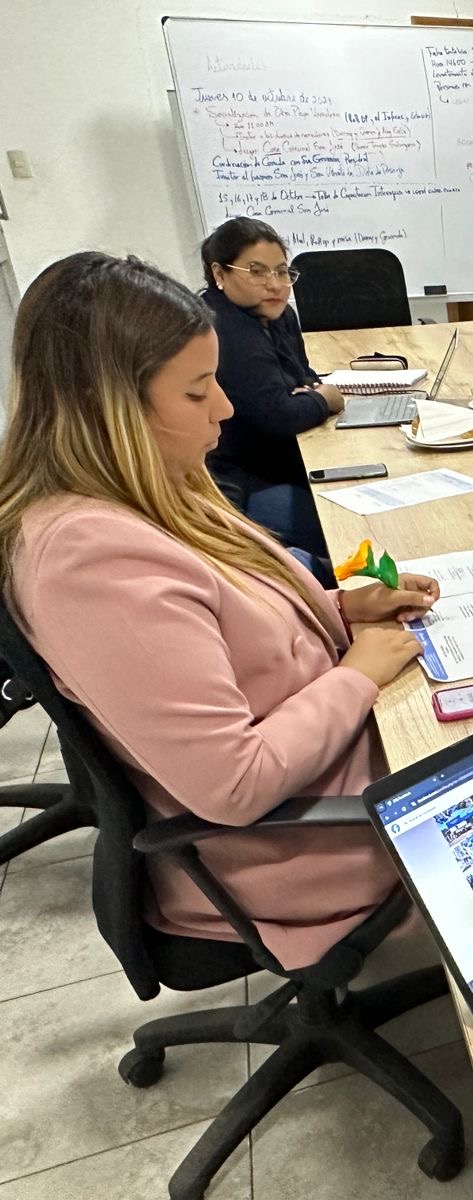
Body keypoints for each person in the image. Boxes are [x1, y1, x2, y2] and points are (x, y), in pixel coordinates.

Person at [0, 251, 440, 970]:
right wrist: (358, 674)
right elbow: (234, 785)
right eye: (198, 391)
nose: (225, 409)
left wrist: (341, 608)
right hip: (296, 844)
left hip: (331, 775)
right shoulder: (88, 561)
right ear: (110, 408)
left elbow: (225, 625)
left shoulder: (151, 482)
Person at [199, 217, 344, 577]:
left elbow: (304, 378)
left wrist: (305, 397)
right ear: (219, 273)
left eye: (282, 272)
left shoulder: (278, 314)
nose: (275, 284)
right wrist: (325, 400)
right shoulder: (221, 329)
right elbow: (280, 416)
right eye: (257, 272)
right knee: (343, 532)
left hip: (284, 461)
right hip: (240, 483)